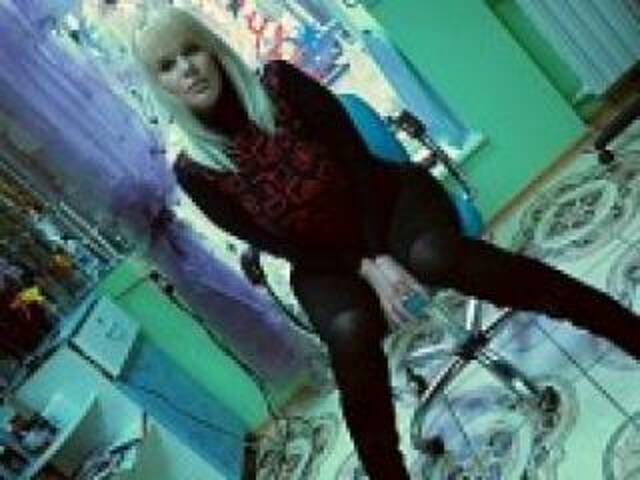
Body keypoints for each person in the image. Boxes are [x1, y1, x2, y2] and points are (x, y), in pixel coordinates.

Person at [133, 7, 640, 478]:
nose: (187, 69)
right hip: (320, 258)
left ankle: (618, 324)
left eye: (191, 50)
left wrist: (377, 252)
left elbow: (358, 165)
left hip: (385, 200)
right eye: (167, 66)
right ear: (160, 86)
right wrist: (365, 266)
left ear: (214, 50)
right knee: (349, 329)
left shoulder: (281, 83)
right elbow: (276, 243)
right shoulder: (195, 171)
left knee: (434, 256)